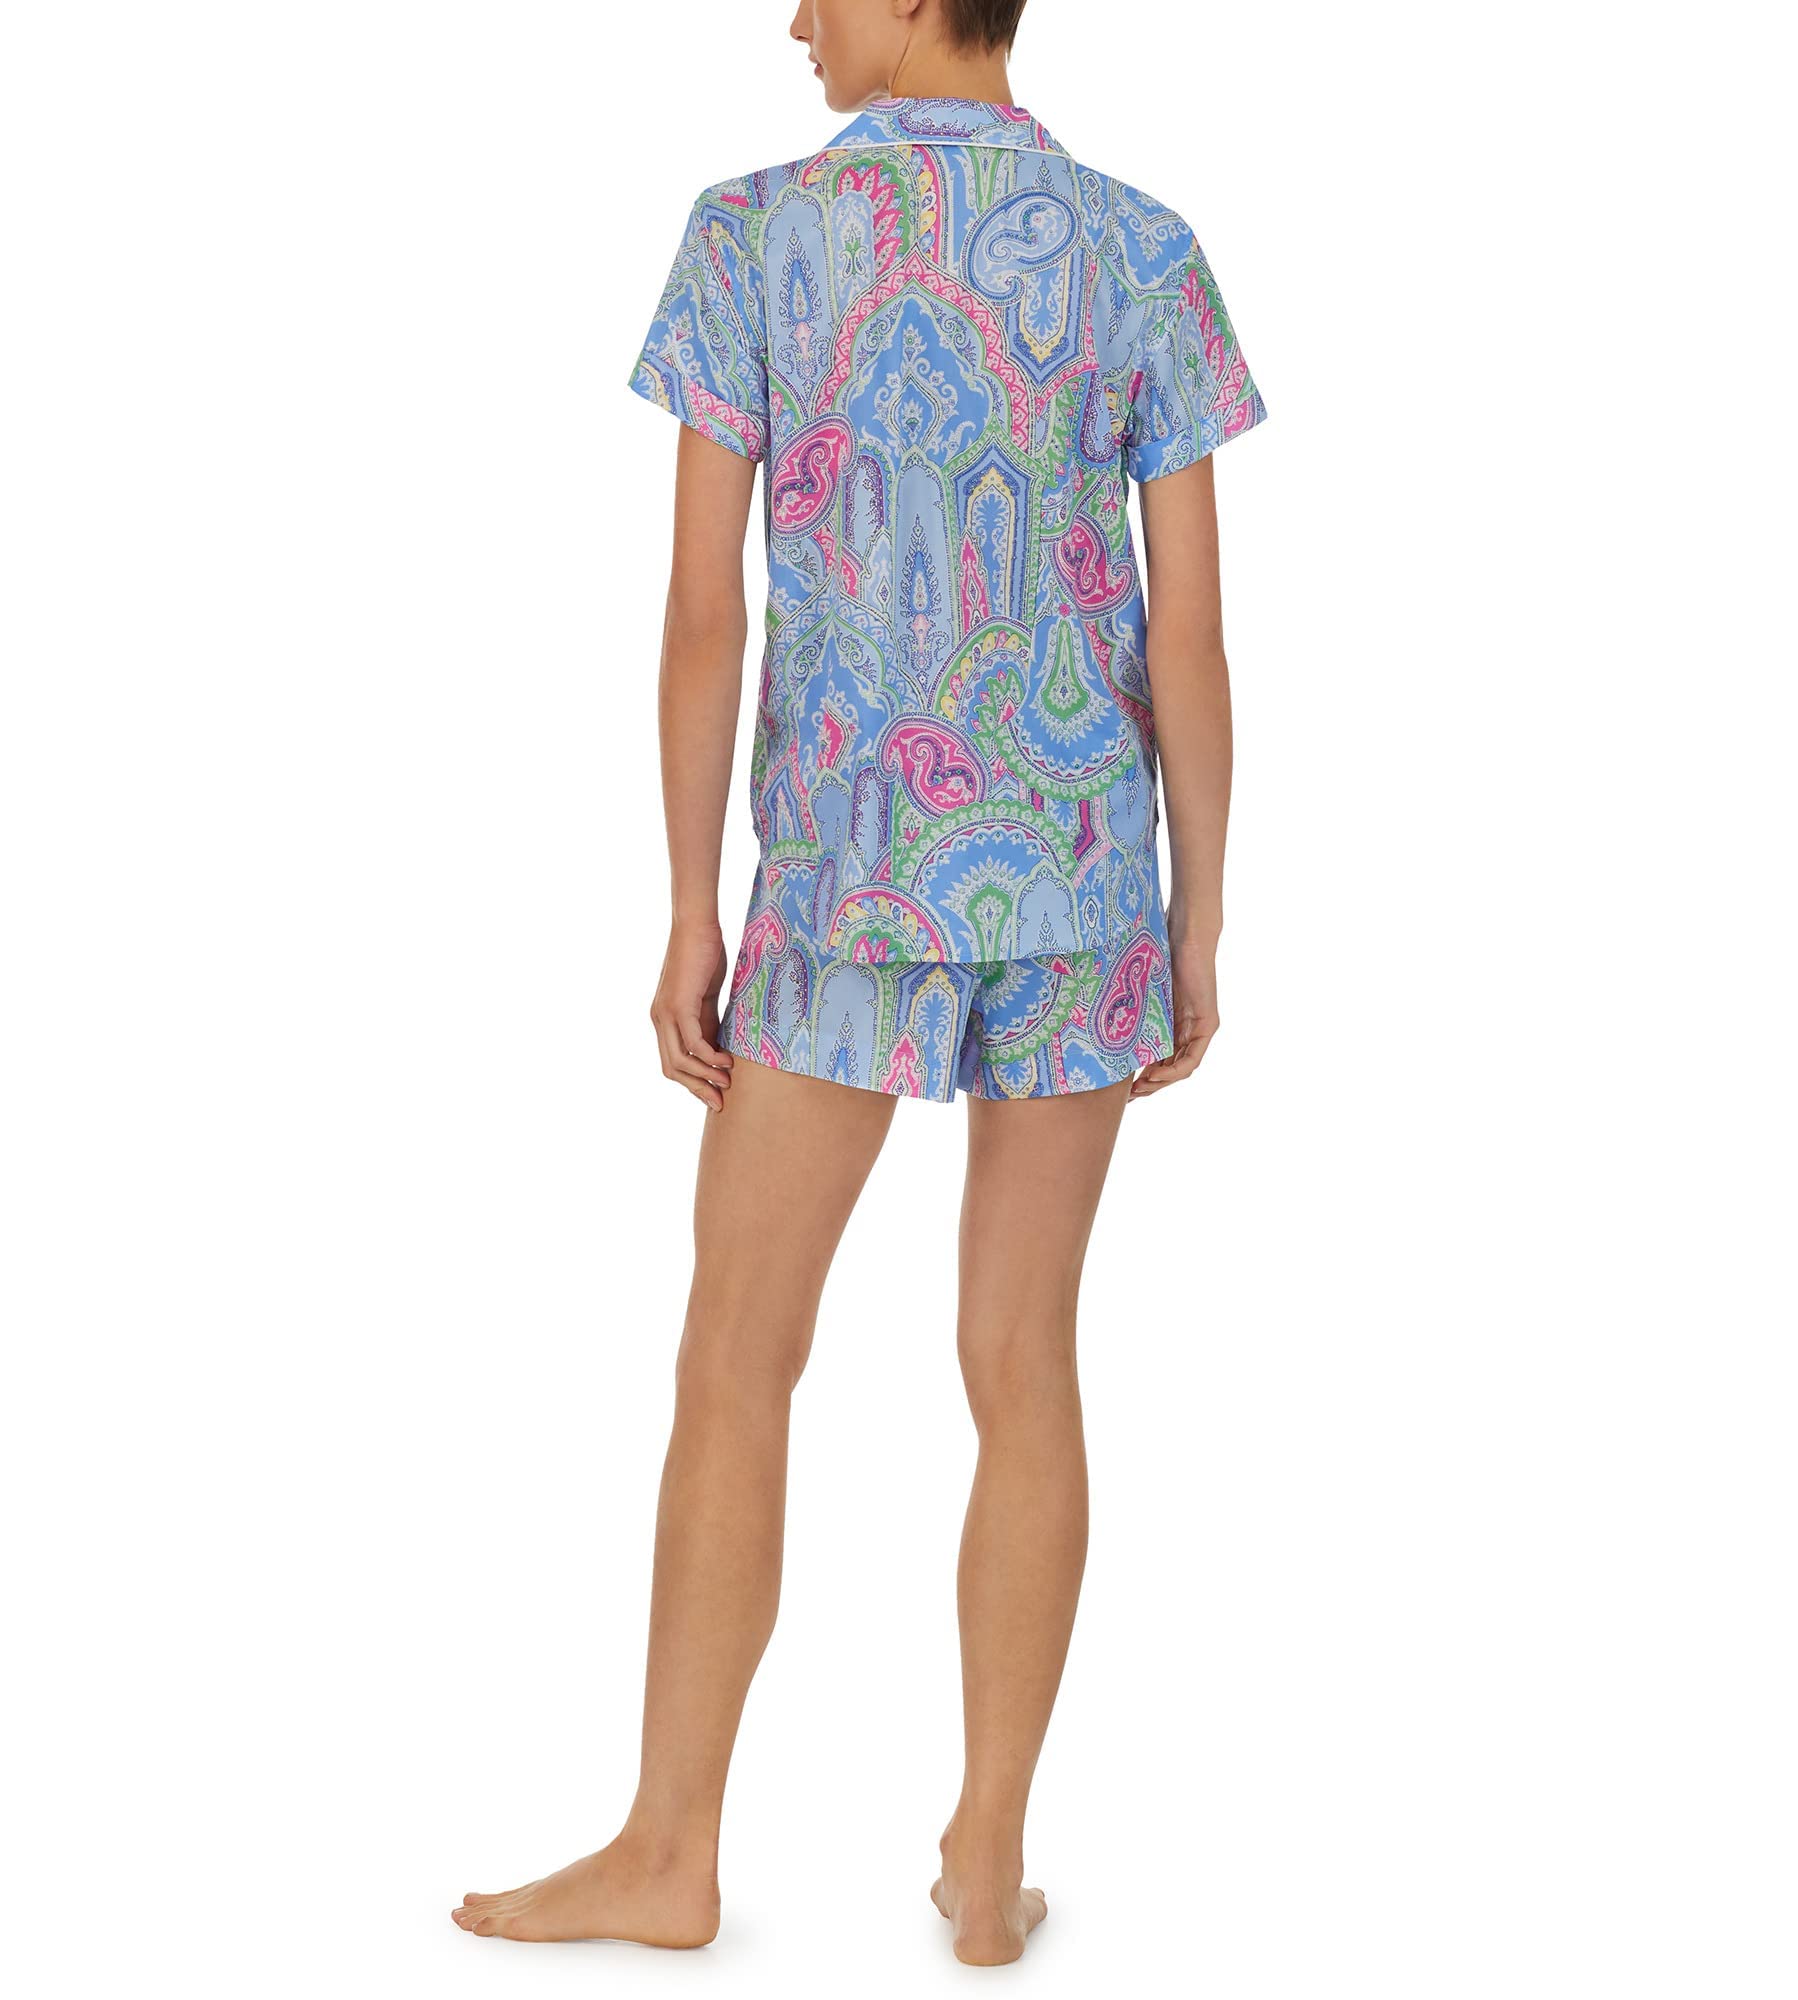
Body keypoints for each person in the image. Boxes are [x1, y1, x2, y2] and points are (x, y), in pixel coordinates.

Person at [451, 0, 1262, 1966]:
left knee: (738, 1348)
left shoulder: (750, 234)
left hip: (844, 883)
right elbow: (1190, 637)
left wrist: (688, 907)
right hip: (1079, 883)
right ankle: (987, 1857)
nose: (795, 16)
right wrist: (1197, 917)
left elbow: (700, 613)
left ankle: (670, 1851)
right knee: (1024, 1359)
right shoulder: (1143, 248)